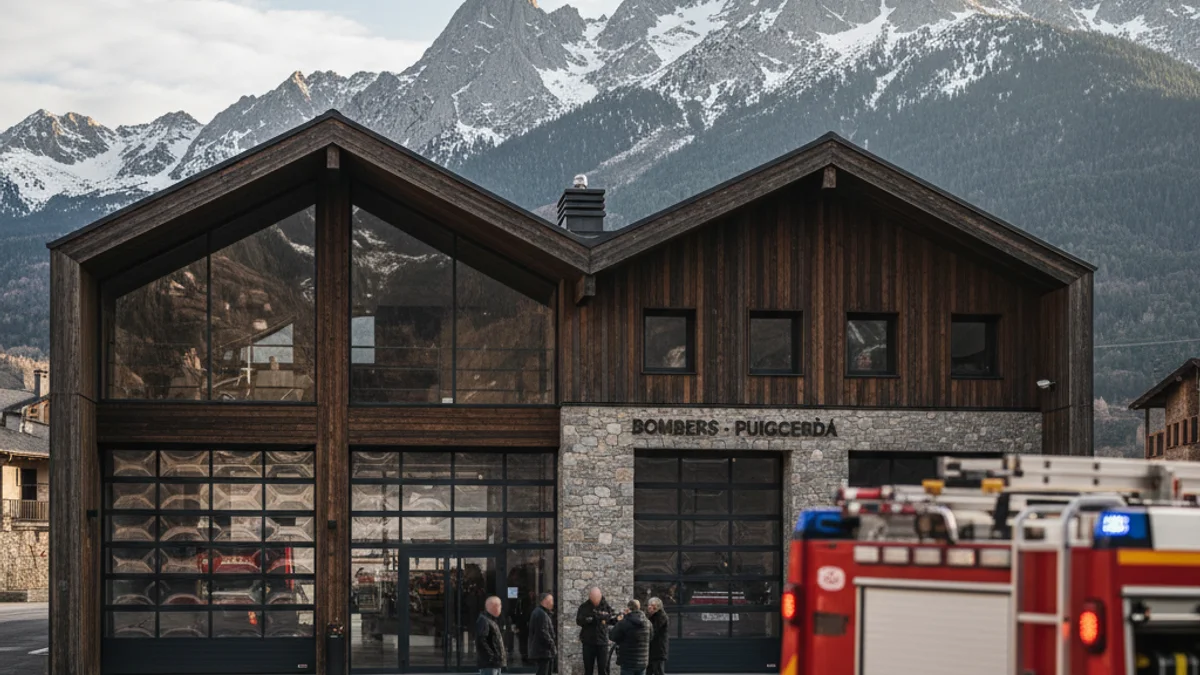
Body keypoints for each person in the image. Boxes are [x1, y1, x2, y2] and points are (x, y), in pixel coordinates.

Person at [576, 587, 615, 675]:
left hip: (602, 642)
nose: (595, 602)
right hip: (588, 642)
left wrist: (604, 617)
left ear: (600, 597)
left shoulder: (605, 606)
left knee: (603, 669)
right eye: (593, 600)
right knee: (588, 669)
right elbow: (579, 621)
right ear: (590, 597)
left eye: (597, 600)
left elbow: (611, 619)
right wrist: (589, 620)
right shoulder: (584, 607)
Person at [609, 600, 652, 675]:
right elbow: (650, 637)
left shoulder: (624, 622)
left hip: (628, 662)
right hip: (642, 661)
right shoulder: (648, 623)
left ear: (628, 609)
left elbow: (612, 636)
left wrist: (619, 621)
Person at [476, 596, 507, 675]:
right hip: (489, 664)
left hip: (494, 663)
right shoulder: (484, 620)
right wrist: (491, 656)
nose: (501, 608)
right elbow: (481, 640)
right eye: (500, 606)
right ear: (494, 607)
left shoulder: (491, 620)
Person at [528, 593, 557, 675]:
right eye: (551, 600)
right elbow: (543, 632)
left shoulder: (542, 612)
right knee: (543, 672)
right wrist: (552, 644)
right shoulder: (541, 614)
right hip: (543, 651)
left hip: (543, 651)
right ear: (544, 601)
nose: (552, 603)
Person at [646, 598, 668, 675]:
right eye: (649, 605)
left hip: (658, 651)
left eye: (652, 605)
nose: (649, 607)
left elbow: (653, 630)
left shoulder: (661, 616)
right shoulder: (652, 616)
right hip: (652, 651)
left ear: (657, 607)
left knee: (658, 671)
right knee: (649, 671)